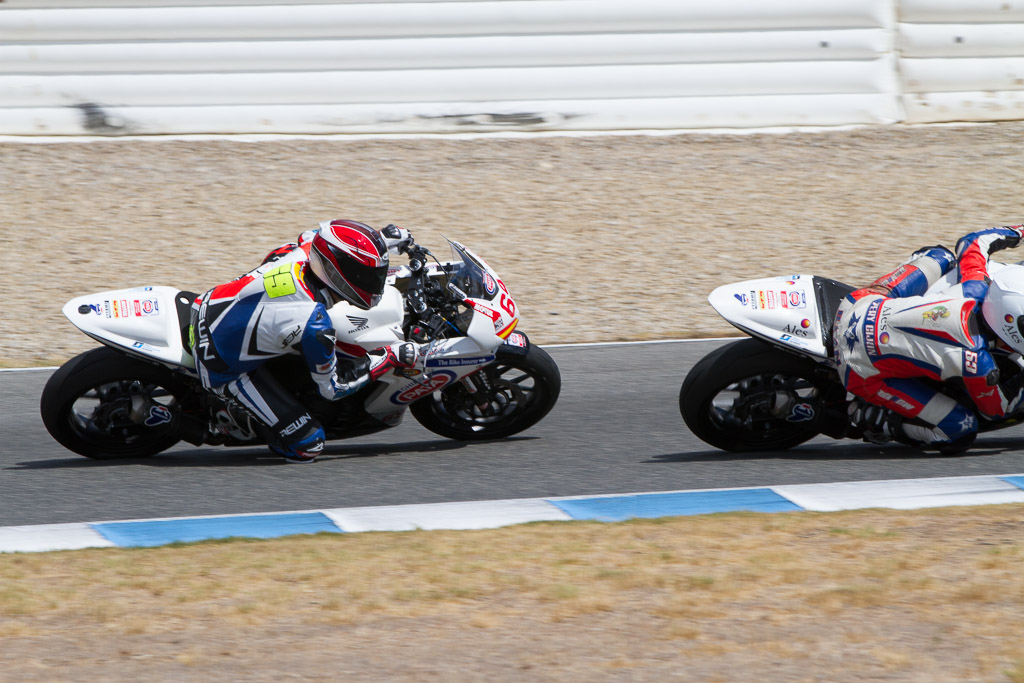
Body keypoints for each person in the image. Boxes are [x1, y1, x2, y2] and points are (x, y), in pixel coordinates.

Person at [191, 219, 419, 463]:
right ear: (338, 273)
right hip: (219, 362)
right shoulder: (314, 324)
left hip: (211, 303)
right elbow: (333, 388)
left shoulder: (308, 249)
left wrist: (381, 239)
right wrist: (389, 357)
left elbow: (318, 235)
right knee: (308, 445)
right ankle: (235, 418)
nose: (374, 282)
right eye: (367, 275)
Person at [835, 225, 1024, 453]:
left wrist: (1019, 232)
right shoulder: (977, 361)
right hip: (858, 370)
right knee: (961, 427)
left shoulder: (974, 286)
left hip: (857, 304)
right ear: (1012, 323)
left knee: (940, 256)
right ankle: (874, 418)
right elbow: (996, 410)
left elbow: (974, 241)